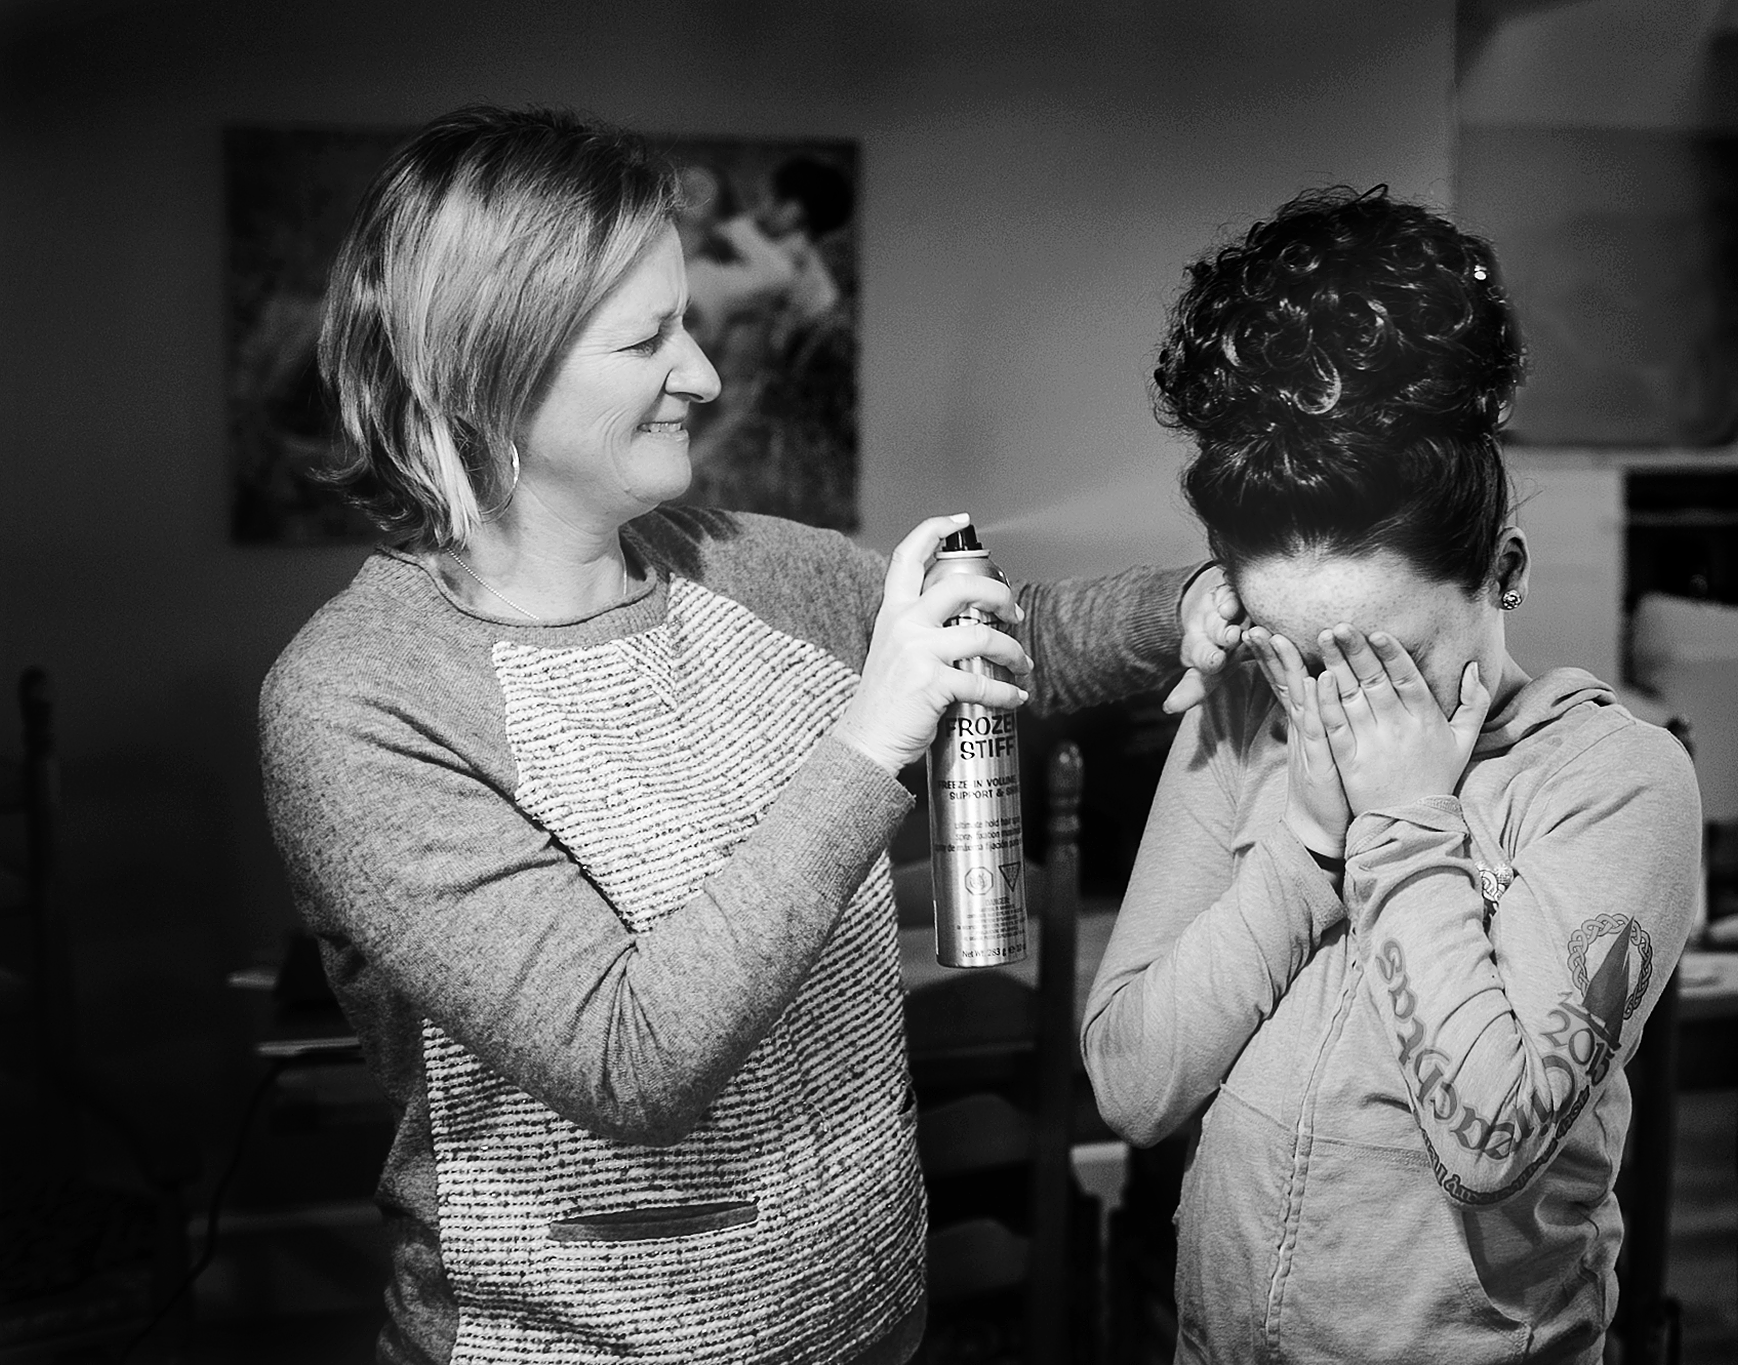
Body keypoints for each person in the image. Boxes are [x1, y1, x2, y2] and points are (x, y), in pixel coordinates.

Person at [259, 106, 1238, 1365]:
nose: (705, 376)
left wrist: (1194, 603)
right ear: (485, 365)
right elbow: (627, 1056)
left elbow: (1015, 637)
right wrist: (868, 741)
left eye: (692, 325)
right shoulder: (359, 699)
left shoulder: (744, 570)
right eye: (647, 337)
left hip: (865, 1309)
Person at [1081, 186, 1702, 1363]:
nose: (1338, 704)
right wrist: (1303, 845)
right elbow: (1130, 1084)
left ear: (1503, 573)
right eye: (1299, 650)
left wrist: (1406, 820)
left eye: (1389, 655)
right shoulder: (1247, 706)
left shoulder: (1613, 782)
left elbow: (1490, 1144)